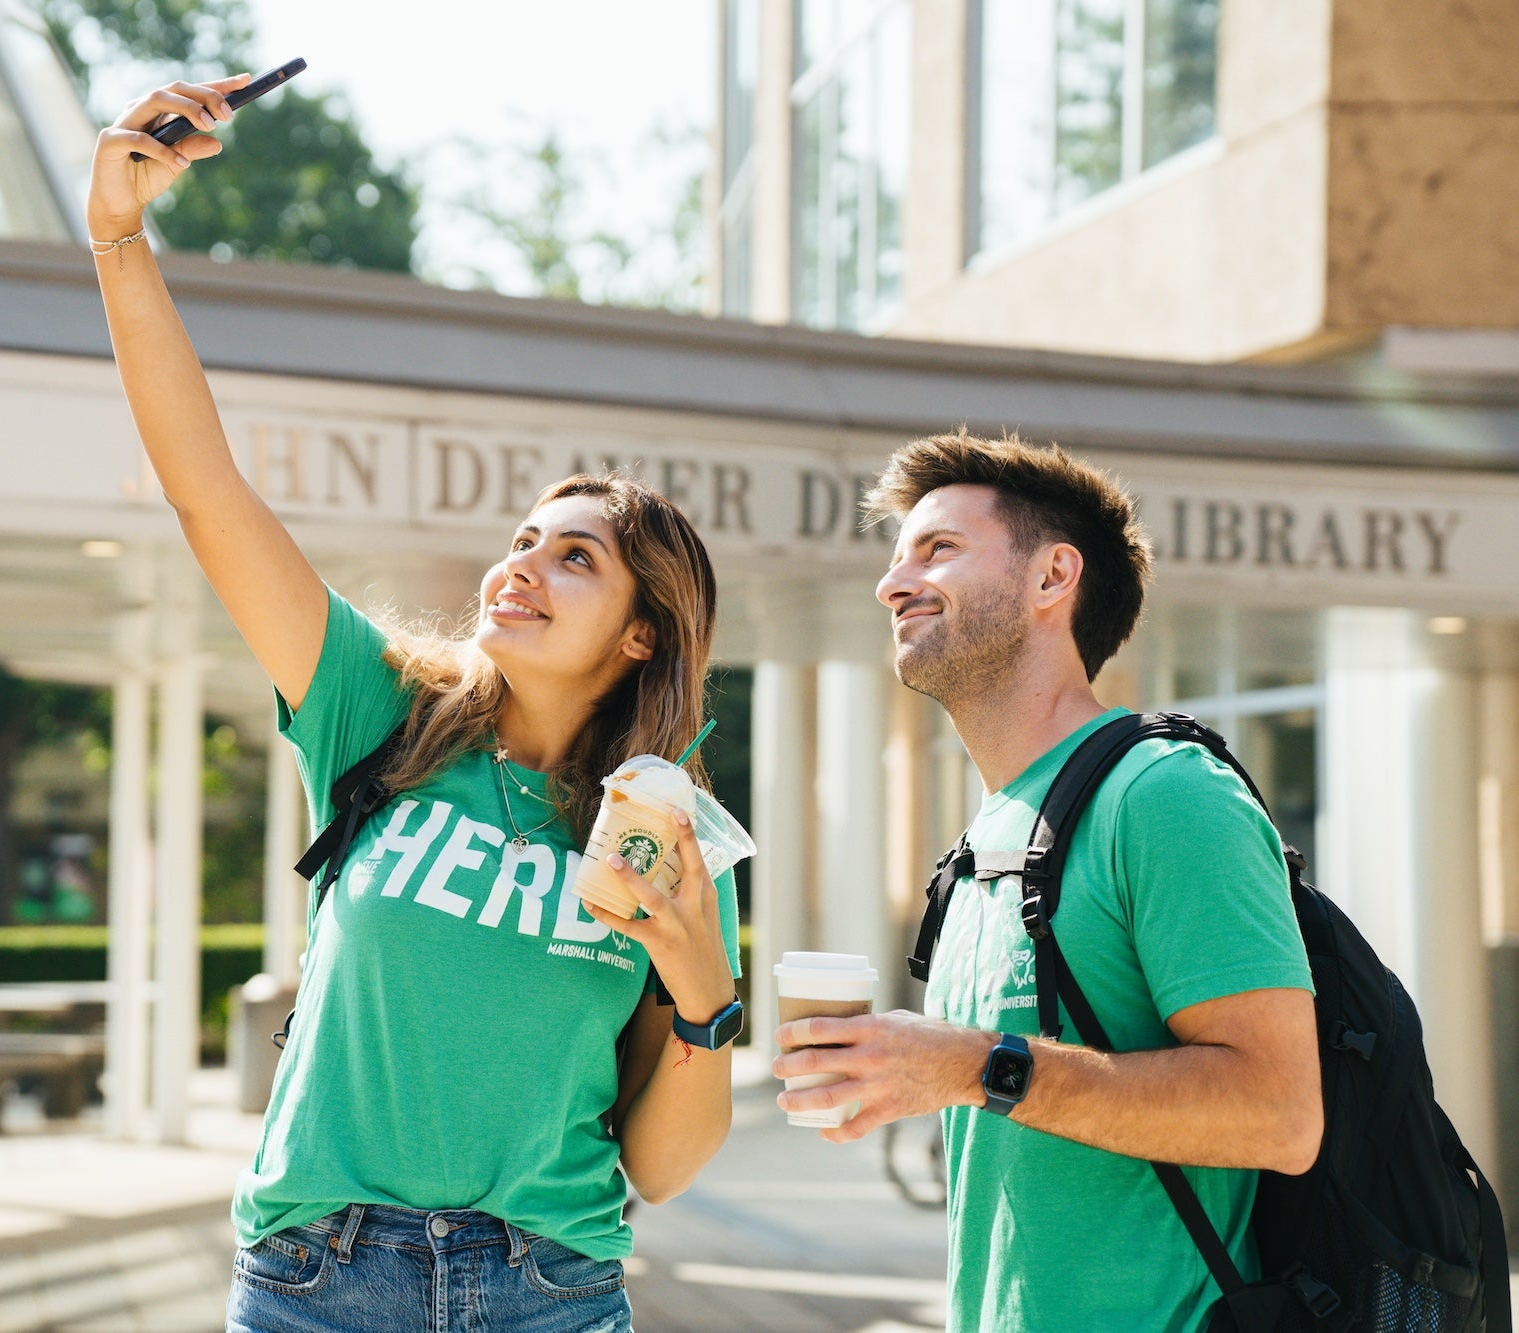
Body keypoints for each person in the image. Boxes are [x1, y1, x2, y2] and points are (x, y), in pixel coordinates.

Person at [87, 78, 744, 1333]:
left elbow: (659, 1164)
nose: (522, 565)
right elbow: (205, 490)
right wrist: (119, 234)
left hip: (545, 1286)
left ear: (642, 631)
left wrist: (701, 977)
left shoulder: (667, 830)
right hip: (316, 1279)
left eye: (574, 557)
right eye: (522, 540)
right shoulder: (374, 710)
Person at [776, 431, 1322, 1331]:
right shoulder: (990, 835)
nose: (891, 582)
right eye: (897, 554)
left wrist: (969, 1065)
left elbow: (1279, 1113)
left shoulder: (1166, 794)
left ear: (1051, 577)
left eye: (938, 547)